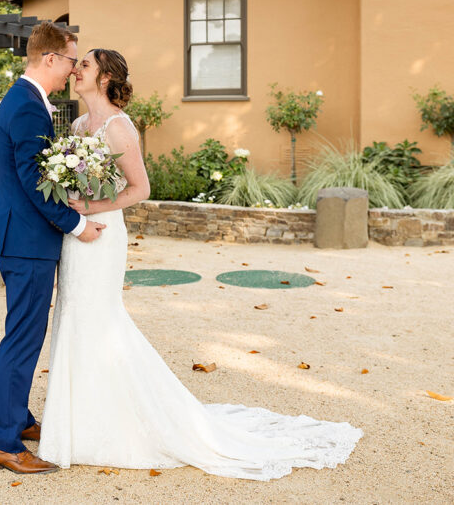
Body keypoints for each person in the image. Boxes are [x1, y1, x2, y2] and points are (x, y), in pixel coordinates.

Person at [36, 48, 363, 480]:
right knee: (74, 318)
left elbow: (140, 188)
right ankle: (75, 424)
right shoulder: (78, 125)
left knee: (100, 320)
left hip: (104, 235)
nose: (75, 70)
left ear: (105, 77)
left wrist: (90, 205)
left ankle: (115, 423)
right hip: (77, 237)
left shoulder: (119, 127)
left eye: (85, 66)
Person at [0, 22, 106, 475]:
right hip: (28, 243)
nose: (74, 69)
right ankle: (4, 442)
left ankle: (18, 418)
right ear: (51, 58)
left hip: (22, 238)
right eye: (72, 60)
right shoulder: (31, 108)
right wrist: (75, 224)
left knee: (22, 335)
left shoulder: (24, 99)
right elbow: (38, 185)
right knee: (23, 340)